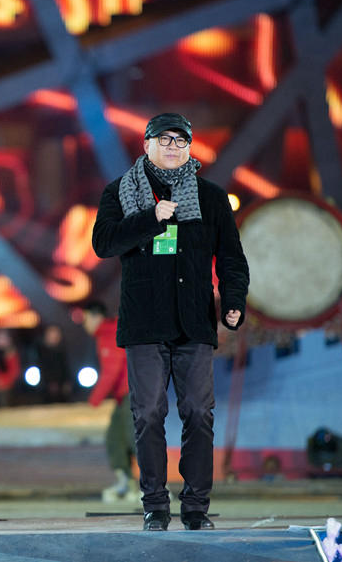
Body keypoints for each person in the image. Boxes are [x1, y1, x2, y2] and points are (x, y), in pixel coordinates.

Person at [92, 112, 249, 531]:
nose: (173, 147)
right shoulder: (119, 193)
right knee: (147, 414)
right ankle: (155, 506)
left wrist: (233, 301)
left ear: (190, 147)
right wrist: (151, 218)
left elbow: (232, 258)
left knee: (199, 411)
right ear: (146, 145)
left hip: (194, 322)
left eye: (181, 141)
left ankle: (196, 508)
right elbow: (103, 244)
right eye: (164, 140)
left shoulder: (211, 197)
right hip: (145, 324)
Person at [80, 302, 137, 504]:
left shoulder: (109, 333)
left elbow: (112, 370)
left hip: (132, 393)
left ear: (96, 317)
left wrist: (94, 399)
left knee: (134, 438)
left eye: (85, 318)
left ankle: (155, 486)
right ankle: (126, 482)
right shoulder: (106, 333)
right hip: (124, 395)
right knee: (115, 437)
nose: (84, 324)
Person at [35, 324, 72, 403]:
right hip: (45, 390)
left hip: (62, 390)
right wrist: (49, 383)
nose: (54, 336)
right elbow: (40, 369)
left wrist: (66, 382)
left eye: (56, 334)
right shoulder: (39, 352)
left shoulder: (62, 351)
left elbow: (65, 368)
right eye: (51, 334)